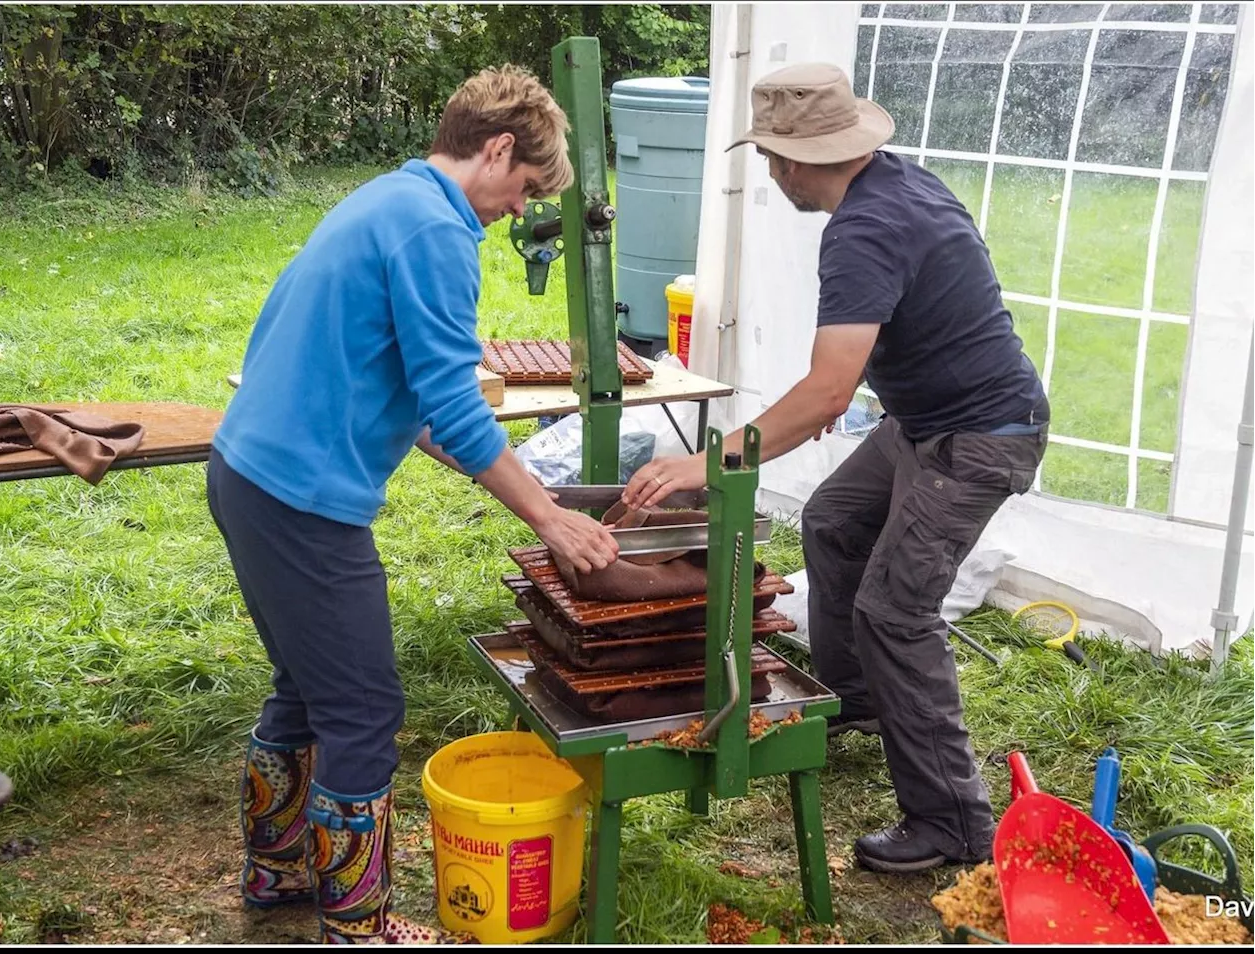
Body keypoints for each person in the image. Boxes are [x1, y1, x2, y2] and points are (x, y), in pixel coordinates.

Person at [207, 65, 619, 944]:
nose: (519, 210)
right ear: (497, 148)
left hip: (247, 472)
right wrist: (547, 514)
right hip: (302, 500)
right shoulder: (437, 228)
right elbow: (457, 400)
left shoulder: (387, 198)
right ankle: (359, 923)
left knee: (305, 687)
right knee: (362, 711)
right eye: (525, 188)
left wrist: (464, 450)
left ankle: (276, 871)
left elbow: (411, 392)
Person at [622, 63, 1048, 875]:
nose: (772, 172)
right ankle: (858, 702)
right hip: (927, 419)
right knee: (833, 521)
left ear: (791, 158)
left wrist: (709, 464)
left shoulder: (863, 230)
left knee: (896, 611)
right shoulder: (894, 187)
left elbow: (825, 393)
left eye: (772, 158)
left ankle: (953, 821)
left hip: (980, 436)